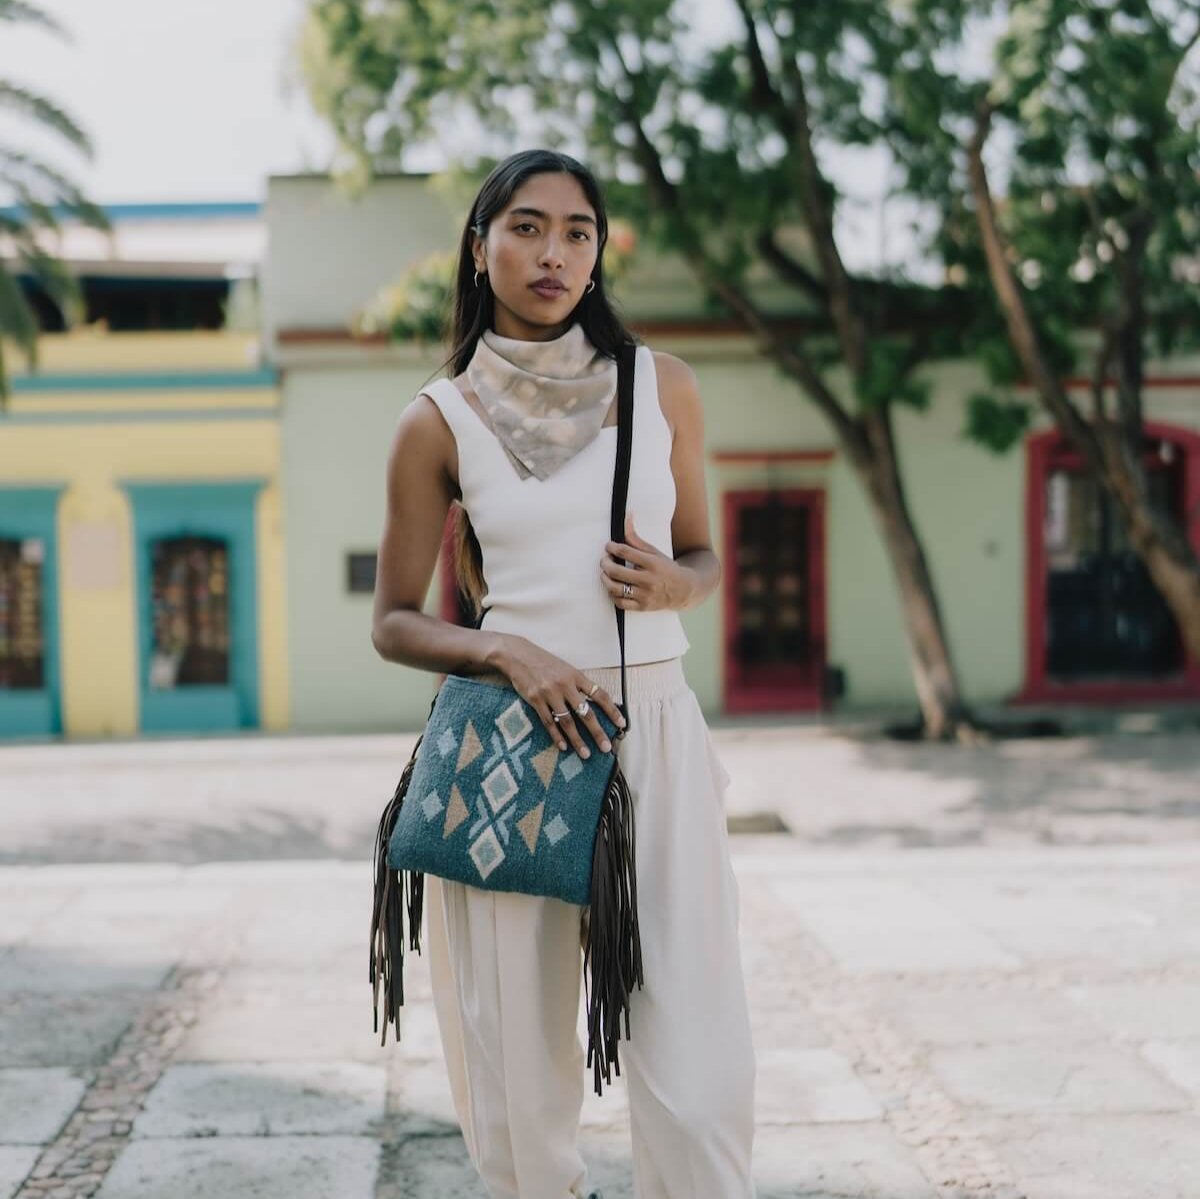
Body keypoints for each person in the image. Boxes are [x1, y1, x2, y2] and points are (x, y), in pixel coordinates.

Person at [371, 148, 757, 1199]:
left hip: (657, 736)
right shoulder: (437, 418)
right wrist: (505, 646)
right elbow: (396, 620)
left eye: (579, 230)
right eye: (528, 226)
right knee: (517, 1075)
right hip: (514, 747)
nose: (555, 251)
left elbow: (703, 552)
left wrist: (677, 588)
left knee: (696, 1060)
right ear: (481, 242)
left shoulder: (660, 381)